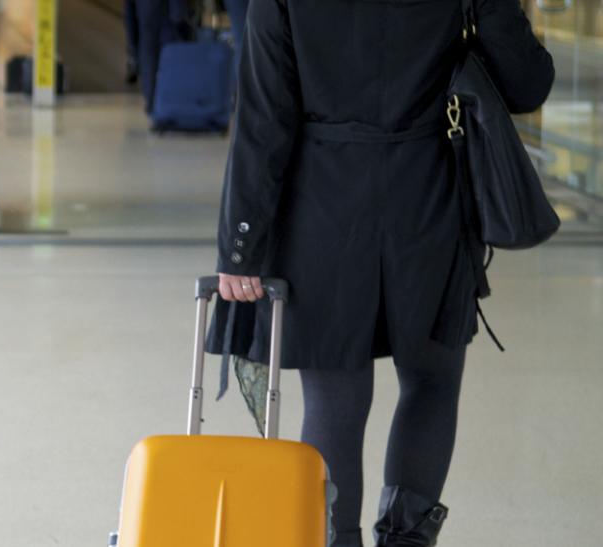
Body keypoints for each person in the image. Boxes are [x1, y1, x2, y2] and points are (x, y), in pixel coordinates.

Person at [212, 1, 552, 546]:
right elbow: (528, 85)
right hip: (431, 204)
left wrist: (239, 247)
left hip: (321, 210)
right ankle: (407, 539)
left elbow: (262, 117)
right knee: (432, 383)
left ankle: (335, 537)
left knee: (335, 401)